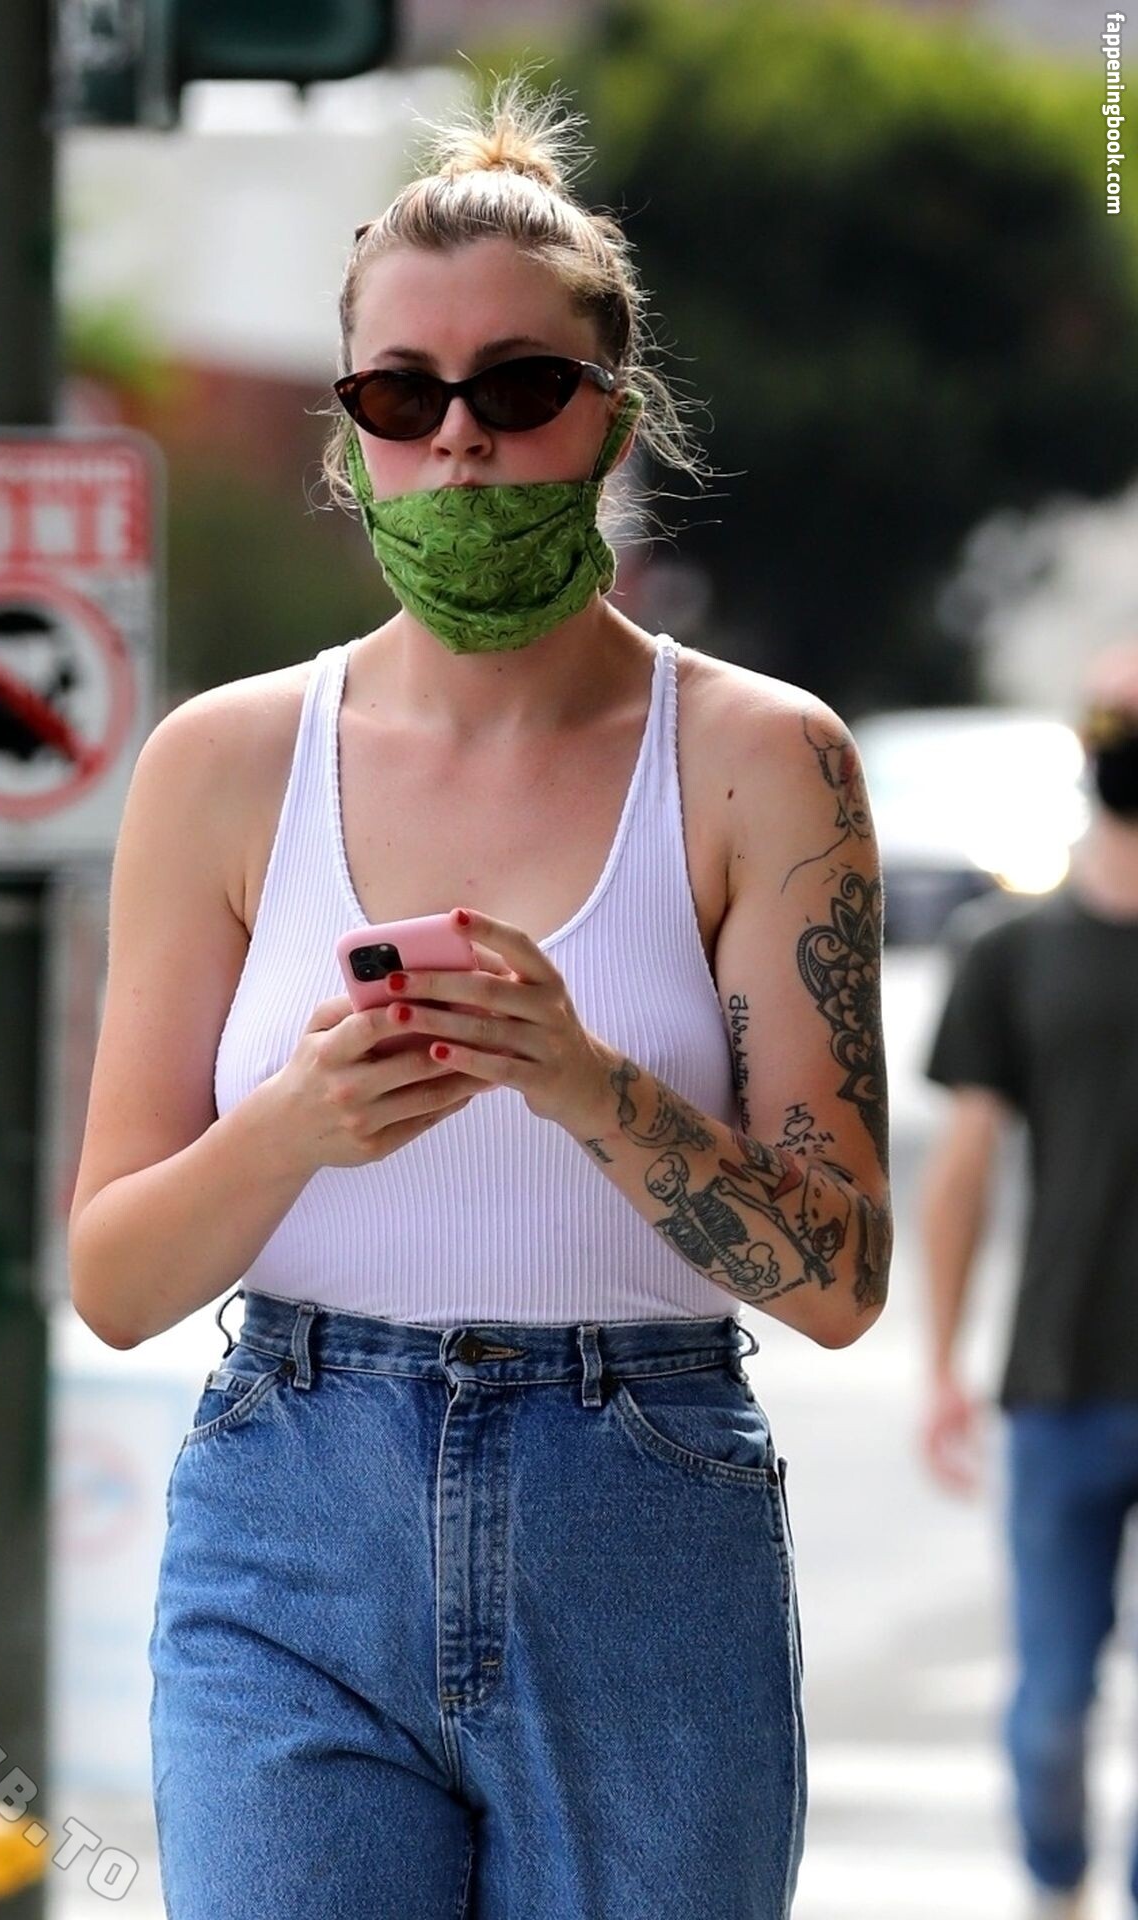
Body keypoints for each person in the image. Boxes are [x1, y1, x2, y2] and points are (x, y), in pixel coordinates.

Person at [69, 72, 893, 1920]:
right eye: (401, 395)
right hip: (290, 1502)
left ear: (612, 415)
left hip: (644, 1498)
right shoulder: (222, 764)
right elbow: (114, 1279)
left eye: (518, 388)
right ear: (350, 432)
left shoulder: (762, 760)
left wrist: (589, 1084)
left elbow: (840, 1282)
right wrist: (298, 1124)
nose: (459, 439)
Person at [918, 640, 1138, 1920]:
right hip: (1058, 1381)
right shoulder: (1009, 948)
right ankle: (1055, 1889)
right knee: (1051, 1703)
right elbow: (962, 1172)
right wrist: (940, 1364)